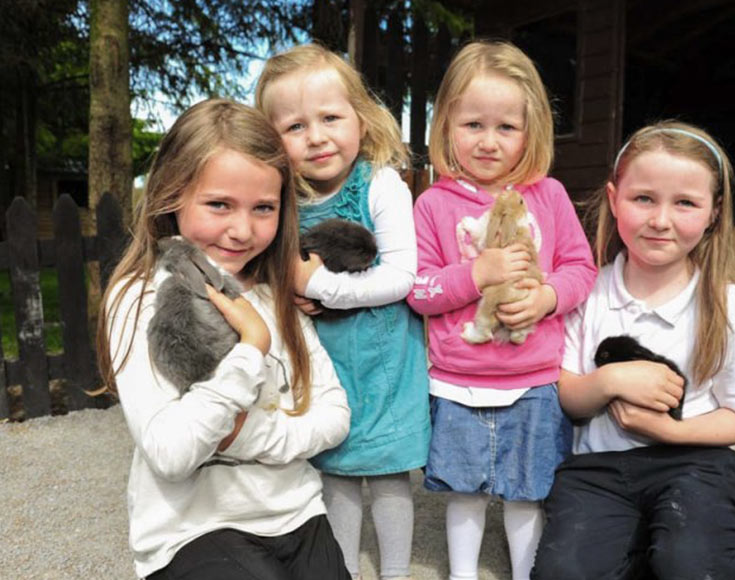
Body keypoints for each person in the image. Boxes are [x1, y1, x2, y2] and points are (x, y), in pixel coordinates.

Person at [96, 99, 352, 580]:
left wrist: (240, 437)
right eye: (219, 205)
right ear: (172, 195)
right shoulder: (139, 296)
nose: (241, 230)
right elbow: (172, 454)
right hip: (192, 532)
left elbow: (334, 416)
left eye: (263, 209)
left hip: (296, 513)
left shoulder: (277, 293)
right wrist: (251, 348)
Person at [530, 121, 735, 580]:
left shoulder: (727, 306)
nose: (660, 219)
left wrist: (666, 430)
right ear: (613, 199)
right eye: (643, 198)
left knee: (691, 565)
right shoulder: (587, 291)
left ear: (714, 213)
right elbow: (565, 393)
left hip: (694, 464)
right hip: (598, 467)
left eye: (685, 203)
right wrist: (608, 381)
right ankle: (641, 549)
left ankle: (716, 561)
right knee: (563, 573)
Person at [406, 40, 597, 580]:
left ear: (530, 130)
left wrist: (546, 297)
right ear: (446, 126)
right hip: (458, 378)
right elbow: (418, 290)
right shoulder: (434, 204)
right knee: (463, 491)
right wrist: (476, 275)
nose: (488, 142)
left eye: (506, 128)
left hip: (534, 377)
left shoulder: (550, 196)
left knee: (526, 492)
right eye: (472, 125)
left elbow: (581, 270)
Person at [255, 44, 430, 580]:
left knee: (389, 471)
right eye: (295, 126)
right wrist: (292, 293)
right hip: (321, 357)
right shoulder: (282, 196)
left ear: (360, 115)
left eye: (331, 117)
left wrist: (322, 286)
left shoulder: (380, 183)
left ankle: (395, 571)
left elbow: (401, 277)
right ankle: (346, 569)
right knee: (335, 469)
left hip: (384, 358)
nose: (317, 136)